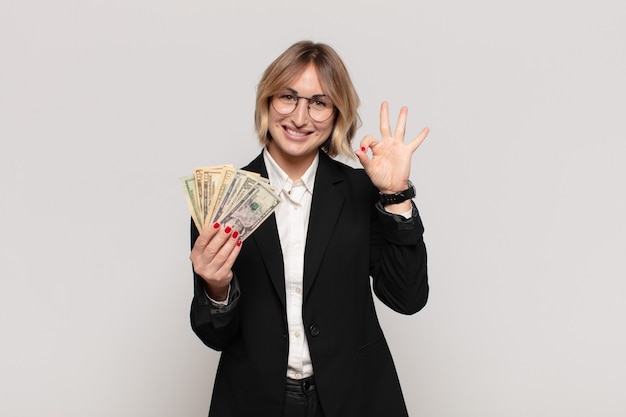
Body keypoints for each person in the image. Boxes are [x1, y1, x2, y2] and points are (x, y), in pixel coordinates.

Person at [188, 40, 429, 417]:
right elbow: (213, 335)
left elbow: (408, 298)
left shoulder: (362, 192)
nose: (300, 118)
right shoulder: (223, 197)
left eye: (319, 102)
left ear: (336, 114)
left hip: (356, 397)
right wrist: (216, 289)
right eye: (288, 97)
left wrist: (396, 193)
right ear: (267, 102)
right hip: (255, 402)